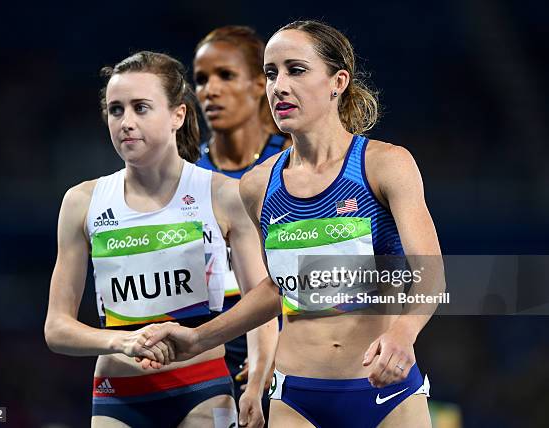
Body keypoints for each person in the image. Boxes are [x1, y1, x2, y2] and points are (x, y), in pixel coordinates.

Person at [141, 20, 444, 428]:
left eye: (295, 70)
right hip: (296, 399)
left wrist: (404, 333)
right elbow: (278, 287)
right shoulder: (256, 186)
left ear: (338, 81)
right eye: (270, 73)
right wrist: (198, 338)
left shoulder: (384, 164)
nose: (278, 86)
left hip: (386, 393)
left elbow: (430, 272)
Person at [44, 51, 271, 428]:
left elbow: (262, 300)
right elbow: (56, 328)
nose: (126, 122)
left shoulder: (223, 195)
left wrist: (257, 381)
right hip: (119, 393)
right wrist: (122, 342)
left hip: (201, 386)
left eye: (141, 108)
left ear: (177, 116)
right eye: (116, 110)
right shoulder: (82, 202)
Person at [193, 25, 284, 417]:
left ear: (259, 84)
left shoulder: (293, 162)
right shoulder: (183, 174)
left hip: (291, 339)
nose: (209, 90)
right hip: (206, 345)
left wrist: (279, 349)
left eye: (225, 76)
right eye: (200, 79)